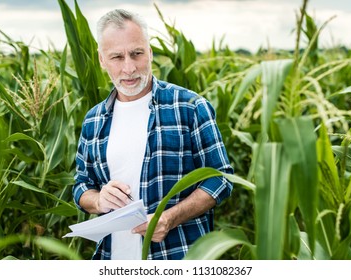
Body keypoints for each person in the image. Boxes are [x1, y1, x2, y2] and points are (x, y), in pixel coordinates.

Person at [72, 8, 233, 260]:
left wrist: (168, 218)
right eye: (117, 57)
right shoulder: (93, 120)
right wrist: (99, 200)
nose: (129, 67)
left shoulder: (189, 107)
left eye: (136, 54)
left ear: (150, 52)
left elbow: (220, 179)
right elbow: (82, 186)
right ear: (102, 60)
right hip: (112, 258)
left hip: (176, 255)